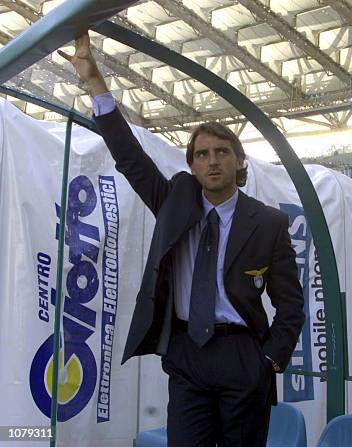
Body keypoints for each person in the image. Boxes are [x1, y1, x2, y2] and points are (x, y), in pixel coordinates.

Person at [59, 33, 305, 447]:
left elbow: (291, 303)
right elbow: (130, 158)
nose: (212, 160)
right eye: (202, 154)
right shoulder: (176, 200)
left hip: (243, 355)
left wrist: (269, 359)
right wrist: (94, 82)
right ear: (191, 164)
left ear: (240, 161)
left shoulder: (268, 223)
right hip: (188, 354)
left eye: (222, 152)